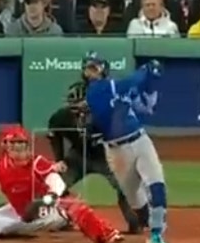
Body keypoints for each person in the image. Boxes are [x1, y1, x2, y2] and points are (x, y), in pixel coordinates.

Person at [81, 54, 169, 243]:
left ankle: (157, 234)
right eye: (88, 69)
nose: (92, 72)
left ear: (104, 69)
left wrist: (151, 83)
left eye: (95, 67)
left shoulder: (116, 87)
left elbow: (147, 106)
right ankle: (149, 223)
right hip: (116, 151)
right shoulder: (96, 91)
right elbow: (133, 81)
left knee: (156, 184)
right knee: (134, 198)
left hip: (140, 141)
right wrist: (148, 70)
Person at [47, 82, 145, 234]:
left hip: (107, 157)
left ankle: (136, 223)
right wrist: (59, 159)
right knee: (55, 184)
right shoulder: (61, 118)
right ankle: (64, 218)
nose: (77, 106)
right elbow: (55, 136)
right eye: (73, 103)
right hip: (79, 156)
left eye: (81, 102)